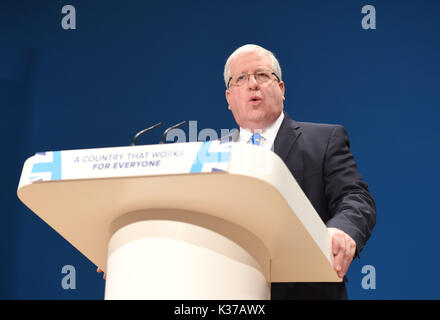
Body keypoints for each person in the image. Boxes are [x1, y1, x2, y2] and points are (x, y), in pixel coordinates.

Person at [222, 44, 376, 299]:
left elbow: (356, 198)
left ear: (281, 89)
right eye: (241, 78)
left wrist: (342, 231)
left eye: (262, 75)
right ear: (229, 98)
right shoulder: (212, 156)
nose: (252, 84)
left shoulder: (325, 139)